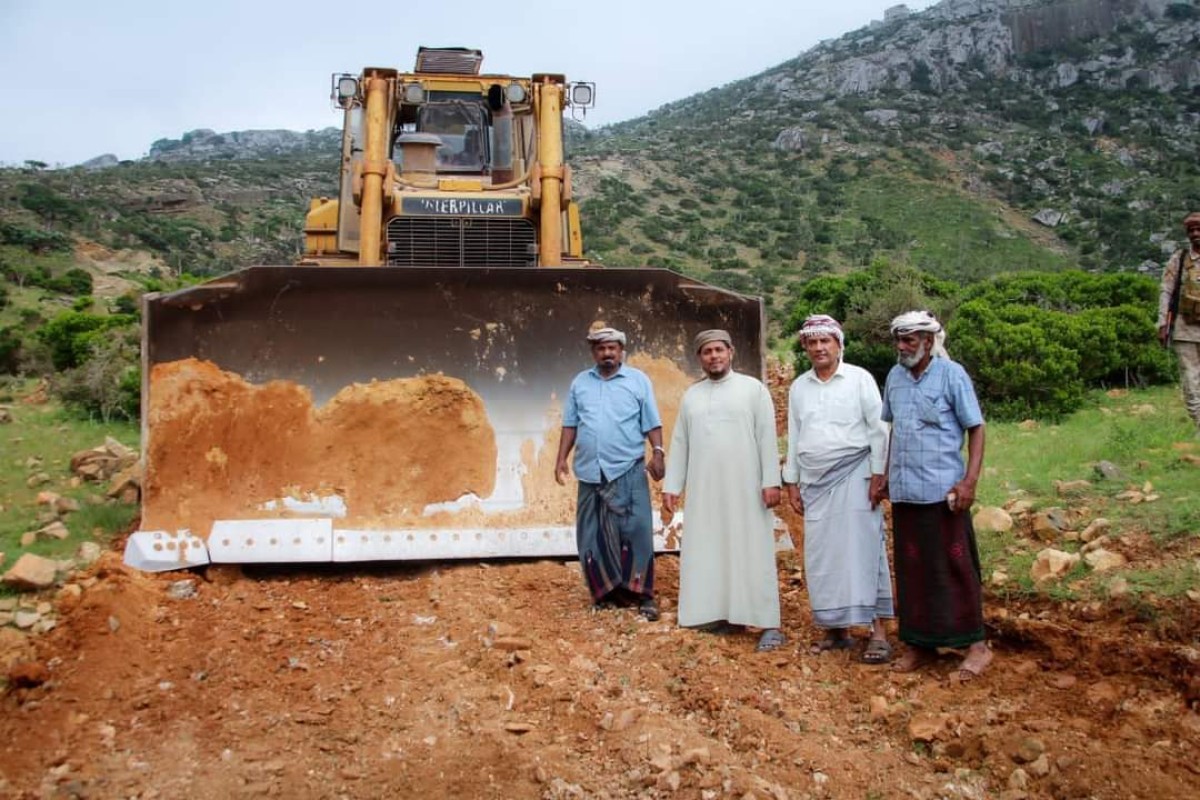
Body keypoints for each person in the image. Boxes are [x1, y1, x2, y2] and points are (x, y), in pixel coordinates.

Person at [876, 310, 991, 681]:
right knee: (912, 570)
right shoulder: (894, 377)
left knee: (955, 567)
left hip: (943, 493)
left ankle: (976, 646)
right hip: (907, 493)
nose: (902, 346)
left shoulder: (951, 375)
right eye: (899, 339)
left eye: (909, 340)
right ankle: (918, 644)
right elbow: (894, 429)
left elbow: (976, 428)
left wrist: (969, 482)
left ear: (928, 342)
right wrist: (885, 475)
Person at [661, 330, 784, 651]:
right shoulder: (692, 396)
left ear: (731, 352)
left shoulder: (753, 390)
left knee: (752, 549)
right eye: (706, 352)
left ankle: (769, 623)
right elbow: (681, 443)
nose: (713, 356)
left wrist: (771, 480)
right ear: (699, 358)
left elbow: (767, 438)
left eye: (719, 350)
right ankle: (722, 615)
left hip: (747, 489)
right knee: (711, 549)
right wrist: (672, 487)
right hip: (705, 491)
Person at [782, 315, 894, 664]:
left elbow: (879, 430)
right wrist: (791, 480)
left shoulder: (859, 379)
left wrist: (878, 474)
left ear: (838, 344)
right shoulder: (799, 386)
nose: (818, 348)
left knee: (864, 550)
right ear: (805, 347)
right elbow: (795, 435)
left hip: (857, 476)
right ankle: (836, 629)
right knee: (822, 556)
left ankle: (877, 632)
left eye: (825, 341)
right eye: (812, 343)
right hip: (815, 483)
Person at [555, 327, 665, 621]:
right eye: (601, 348)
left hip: (627, 468)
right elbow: (570, 424)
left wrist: (658, 452)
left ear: (621, 351)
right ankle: (606, 593)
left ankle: (643, 595)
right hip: (591, 472)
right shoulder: (580, 383)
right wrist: (561, 458)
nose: (607, 353)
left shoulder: (638, 381)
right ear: (594, 352)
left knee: (637, 531)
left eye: (612, 348)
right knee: (592, 534)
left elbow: (652, 422)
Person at [1157, 210, 1200, 432]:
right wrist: (1163, 323)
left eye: (1198, 229)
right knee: (1191, 381)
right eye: (1191, 230)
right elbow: (1166, 290)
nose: (1195, 233)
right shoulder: (1180, 259)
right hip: (1184, 330)